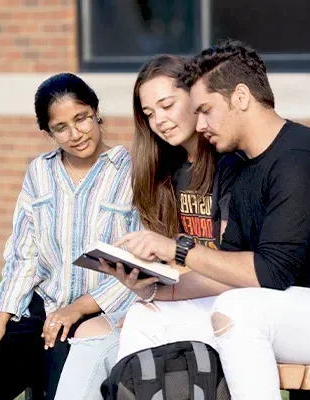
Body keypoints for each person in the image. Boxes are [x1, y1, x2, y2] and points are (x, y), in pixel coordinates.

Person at [103, 40, 310, 400]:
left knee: (239, 310)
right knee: (146, 315)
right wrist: (159, 289)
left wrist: (177, 249)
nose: (199, 124)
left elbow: (268, 274)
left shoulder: (302, 159)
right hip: (283, 308)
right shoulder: (241, 166)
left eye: (206, 110)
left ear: (241, 97)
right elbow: (227, 274)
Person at [55, 54, 245, 400]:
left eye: (167, 105)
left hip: (226, 299)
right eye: (149, 113)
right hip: (180, 296)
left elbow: (231, 265)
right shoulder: (164, 170)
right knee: (94, 331)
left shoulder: (228, 163)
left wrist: (158, 294)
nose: (159, 120)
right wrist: (141, 277)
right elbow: (171, 264)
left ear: (196, 97)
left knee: (139, 323)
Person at [0, 73, 140, 400]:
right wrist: (1, 315)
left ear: (96, 112)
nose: (75, 134)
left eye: (81, 119)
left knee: (60, 379)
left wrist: (79, 308)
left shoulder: (132, 170)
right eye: (61, 127)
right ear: (48, 132)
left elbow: (139, 262)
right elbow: (25, 255)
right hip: (43, 309)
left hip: (99, 313)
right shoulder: (40, 172)